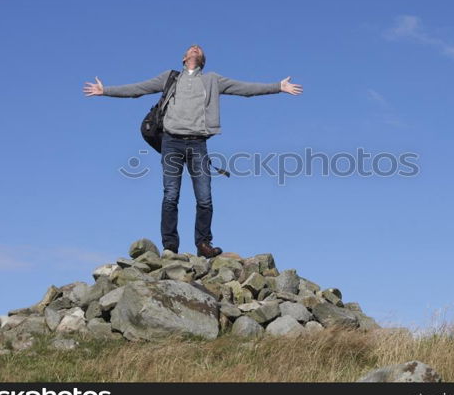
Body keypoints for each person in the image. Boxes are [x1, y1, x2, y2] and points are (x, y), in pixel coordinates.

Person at [83, 44, 303, 258]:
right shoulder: (171, 78)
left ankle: (203, 243)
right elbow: (138, 89)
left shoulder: (212, 80)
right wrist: (105, 91)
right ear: (184, 58)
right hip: (171, 141)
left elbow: (245, 89)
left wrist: (278, 86)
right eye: (191, 48)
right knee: (171, 196)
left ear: (202, 60)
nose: (195, 48)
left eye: (199, 49)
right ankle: (170, 247)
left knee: (204, 197)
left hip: (198, 143)